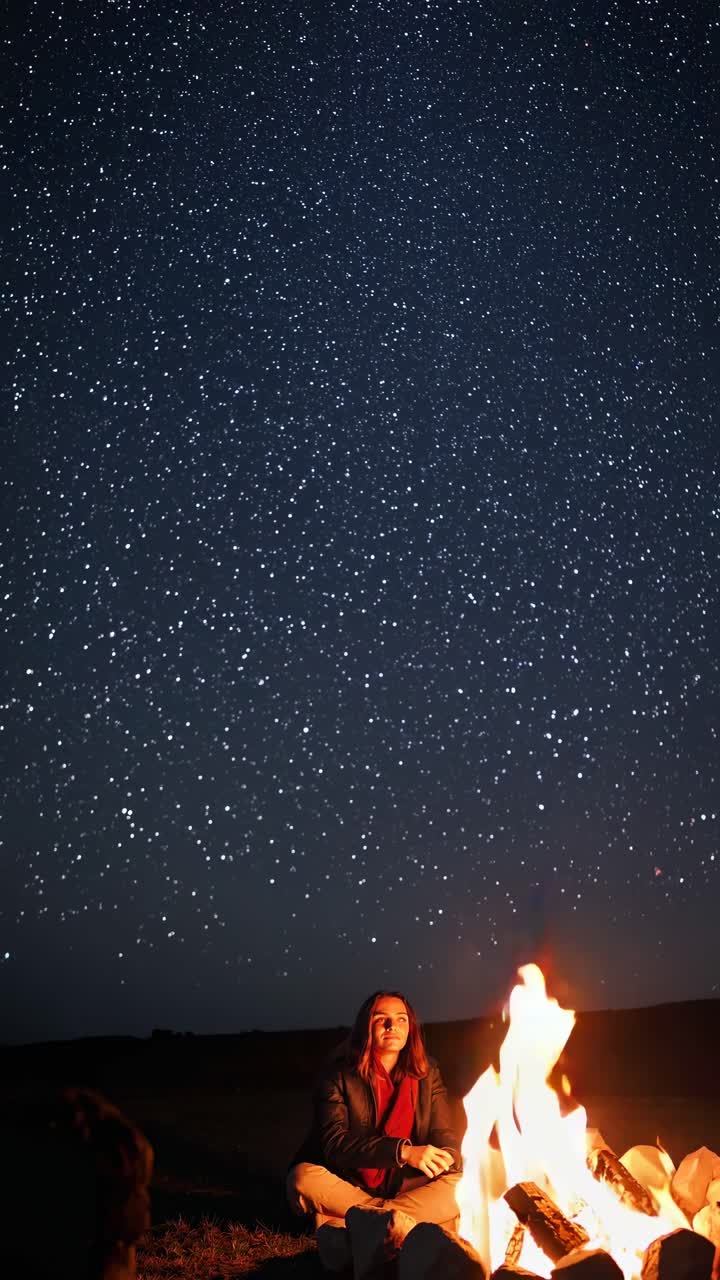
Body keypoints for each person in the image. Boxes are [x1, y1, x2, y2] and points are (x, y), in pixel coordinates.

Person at [287, 990, 462, 1266]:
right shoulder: (337, 1074)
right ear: (366, 1027)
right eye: (382, 1019)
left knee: (462, 1184)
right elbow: (335, 1144)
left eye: (401, 1019)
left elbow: (444, 1134)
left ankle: (358, 1222)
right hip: (350, 1182)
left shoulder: (428, 1072)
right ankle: (400, 1223)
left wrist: (448, 1155)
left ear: (411, 1028)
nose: (393, 1026)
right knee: (301, 1178)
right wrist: (404, 1152)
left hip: (406, 1187)